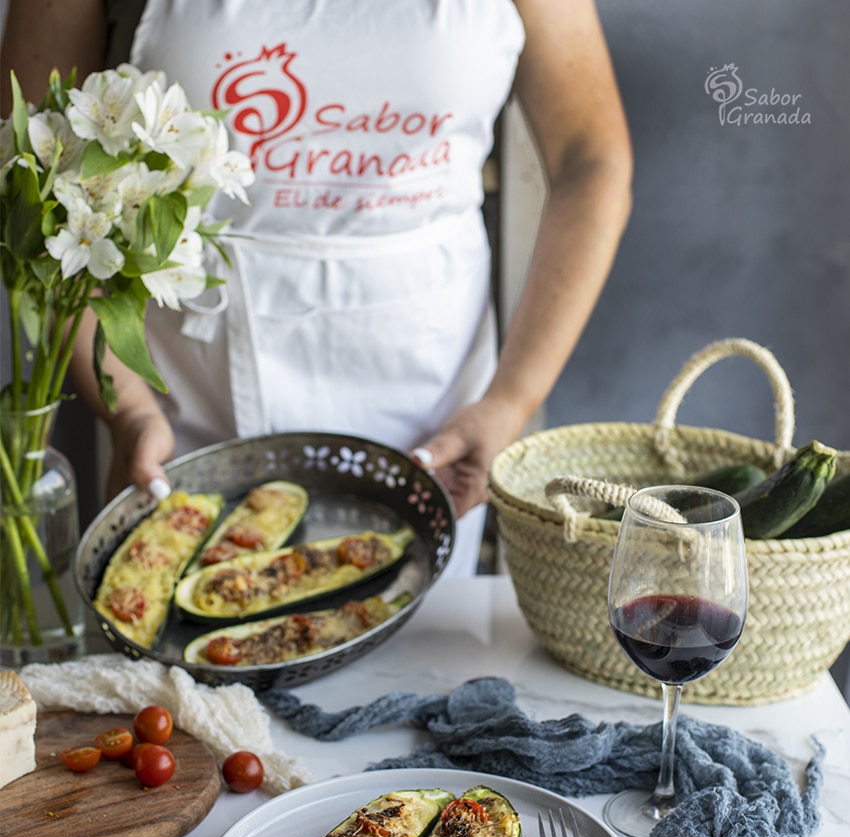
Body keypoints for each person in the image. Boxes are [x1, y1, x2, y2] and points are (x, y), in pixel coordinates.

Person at [1, 0, 632, 575]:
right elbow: (20, 183)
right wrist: (129, 406)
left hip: (433, 420)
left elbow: (590, 160)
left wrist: (510, 401)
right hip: (182, 417)